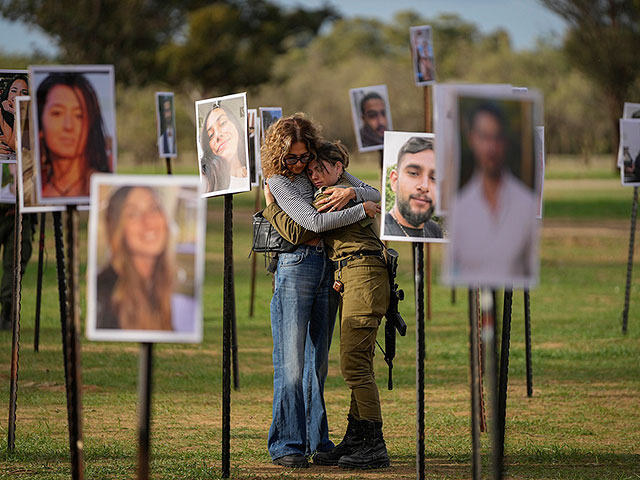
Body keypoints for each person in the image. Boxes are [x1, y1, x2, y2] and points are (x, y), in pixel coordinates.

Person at [261, 113, 381, 469]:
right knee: (292, 363)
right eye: (291, 158)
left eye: (304, 156)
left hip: (330, 267)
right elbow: (309, 224)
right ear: (279, 157)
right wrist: (361, 209)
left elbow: (376, 192)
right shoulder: (279, 182)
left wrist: (352, 191)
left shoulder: (321, 169)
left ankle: (318, 440)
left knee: (318, 364)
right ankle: (286, 444)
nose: (300, 165)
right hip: (297, 266)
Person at [450, 102, 537, 284]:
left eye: (496, 138)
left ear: (504, 142)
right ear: (472, 139)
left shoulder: (527, 203)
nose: (491, 148)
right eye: (484, 137)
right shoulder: (459, 207)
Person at [97, 186, 178, 331]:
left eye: (154, 208)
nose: (148, 222)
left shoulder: (159, 284)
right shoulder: (105, 296)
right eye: (133, 214)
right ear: (117, 228)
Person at [37, 72, 111, 198]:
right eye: (57, 113)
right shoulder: (35, 187)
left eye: (79, 115)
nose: (68, 126)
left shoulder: (104, 186)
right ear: (40, 120)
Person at [385, 136, 443, 238]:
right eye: (414, 173)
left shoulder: (435, 231)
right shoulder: (381, 230)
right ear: (395, 181)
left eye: (434, 178)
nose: (424, 186)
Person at [199, 102, 247, 193]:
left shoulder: (252, 173)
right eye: (211, 135)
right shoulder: (211, 185)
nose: (217, 135)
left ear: (236, 124)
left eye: (223, 123)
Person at [0, 74, 29, 157]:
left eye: (24, 93)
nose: (17, 96)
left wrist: (16, 113)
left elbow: (14, 146)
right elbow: (14, 145)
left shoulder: (33, 114)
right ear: (8, 93)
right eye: (13, 91)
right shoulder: (2, 112)